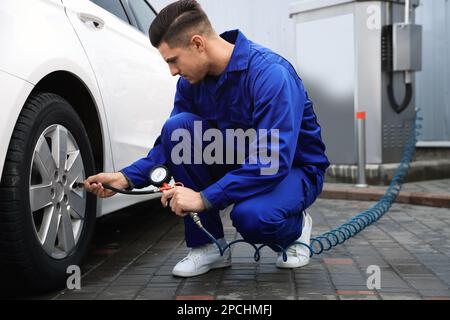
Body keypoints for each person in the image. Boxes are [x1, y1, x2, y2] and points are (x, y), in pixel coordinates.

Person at [84, 0, 330, 278]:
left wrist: (204, 198)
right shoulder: (191, 85)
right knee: (179, 128)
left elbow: (271, 160)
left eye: (173, 60)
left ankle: (296, 229)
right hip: (239, 161)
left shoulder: (270, 75)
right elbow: (171, 147)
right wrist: (125, 178)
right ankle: (209, 247)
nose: (172, 71)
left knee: (252, 217)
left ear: (198, 44)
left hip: (292, 170)